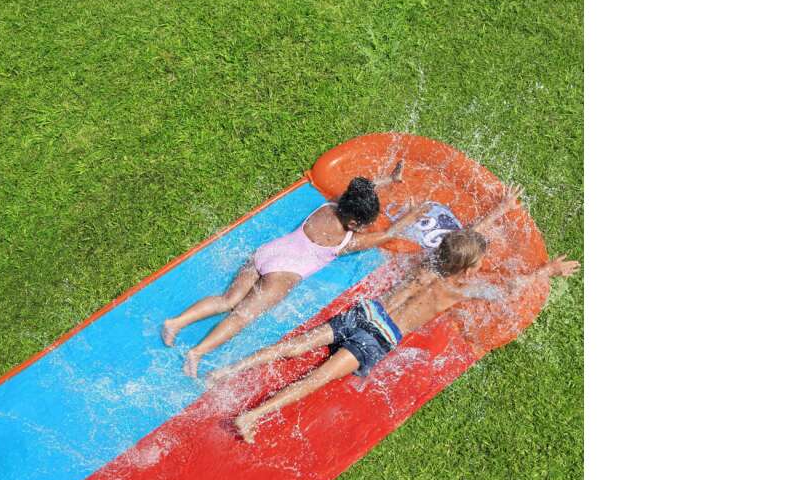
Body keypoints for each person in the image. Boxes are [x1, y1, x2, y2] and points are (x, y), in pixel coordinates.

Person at [208, 229, 580, 443]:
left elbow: (458, 245)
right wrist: (547, 270)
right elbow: (511, 286)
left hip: (368, 311)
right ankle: (252, 416)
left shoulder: (429, 262)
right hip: (381, 336)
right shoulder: (461, 289)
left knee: (294, 346)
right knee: (316, 379)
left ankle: (225, 371)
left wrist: (493, 216)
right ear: (468, 268)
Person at [162, 160, 427, 378]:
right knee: (240, 317)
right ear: (355, 224)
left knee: (227, 300)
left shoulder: (331, 205)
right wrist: (412, 216)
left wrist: (388, 180)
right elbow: (388, 234)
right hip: (280, 276)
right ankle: (196, 353)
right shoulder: (347, 241)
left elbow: (360, 191)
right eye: (366, 224)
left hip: (266, 254)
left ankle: (176, 322)